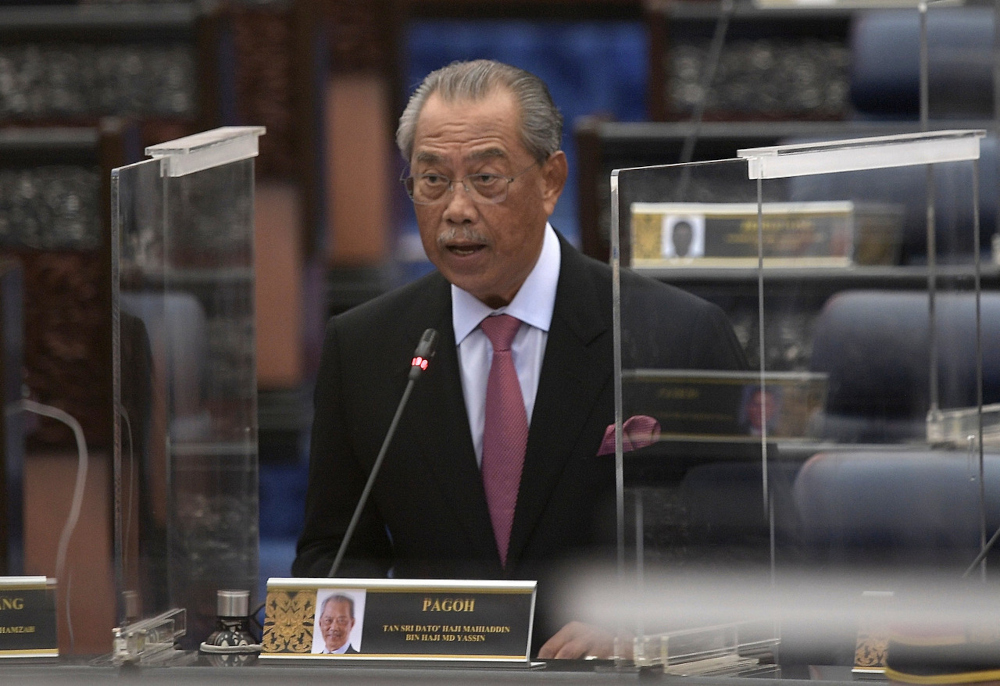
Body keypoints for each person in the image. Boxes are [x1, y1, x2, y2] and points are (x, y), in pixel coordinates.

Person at [293, 59, 747, 659]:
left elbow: (749, 552)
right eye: (432, 181)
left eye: (486, 178)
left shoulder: (677, 334)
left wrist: (646, 636)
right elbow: (335, 551)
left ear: (550, 180)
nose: (456, 208)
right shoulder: (364, 348)